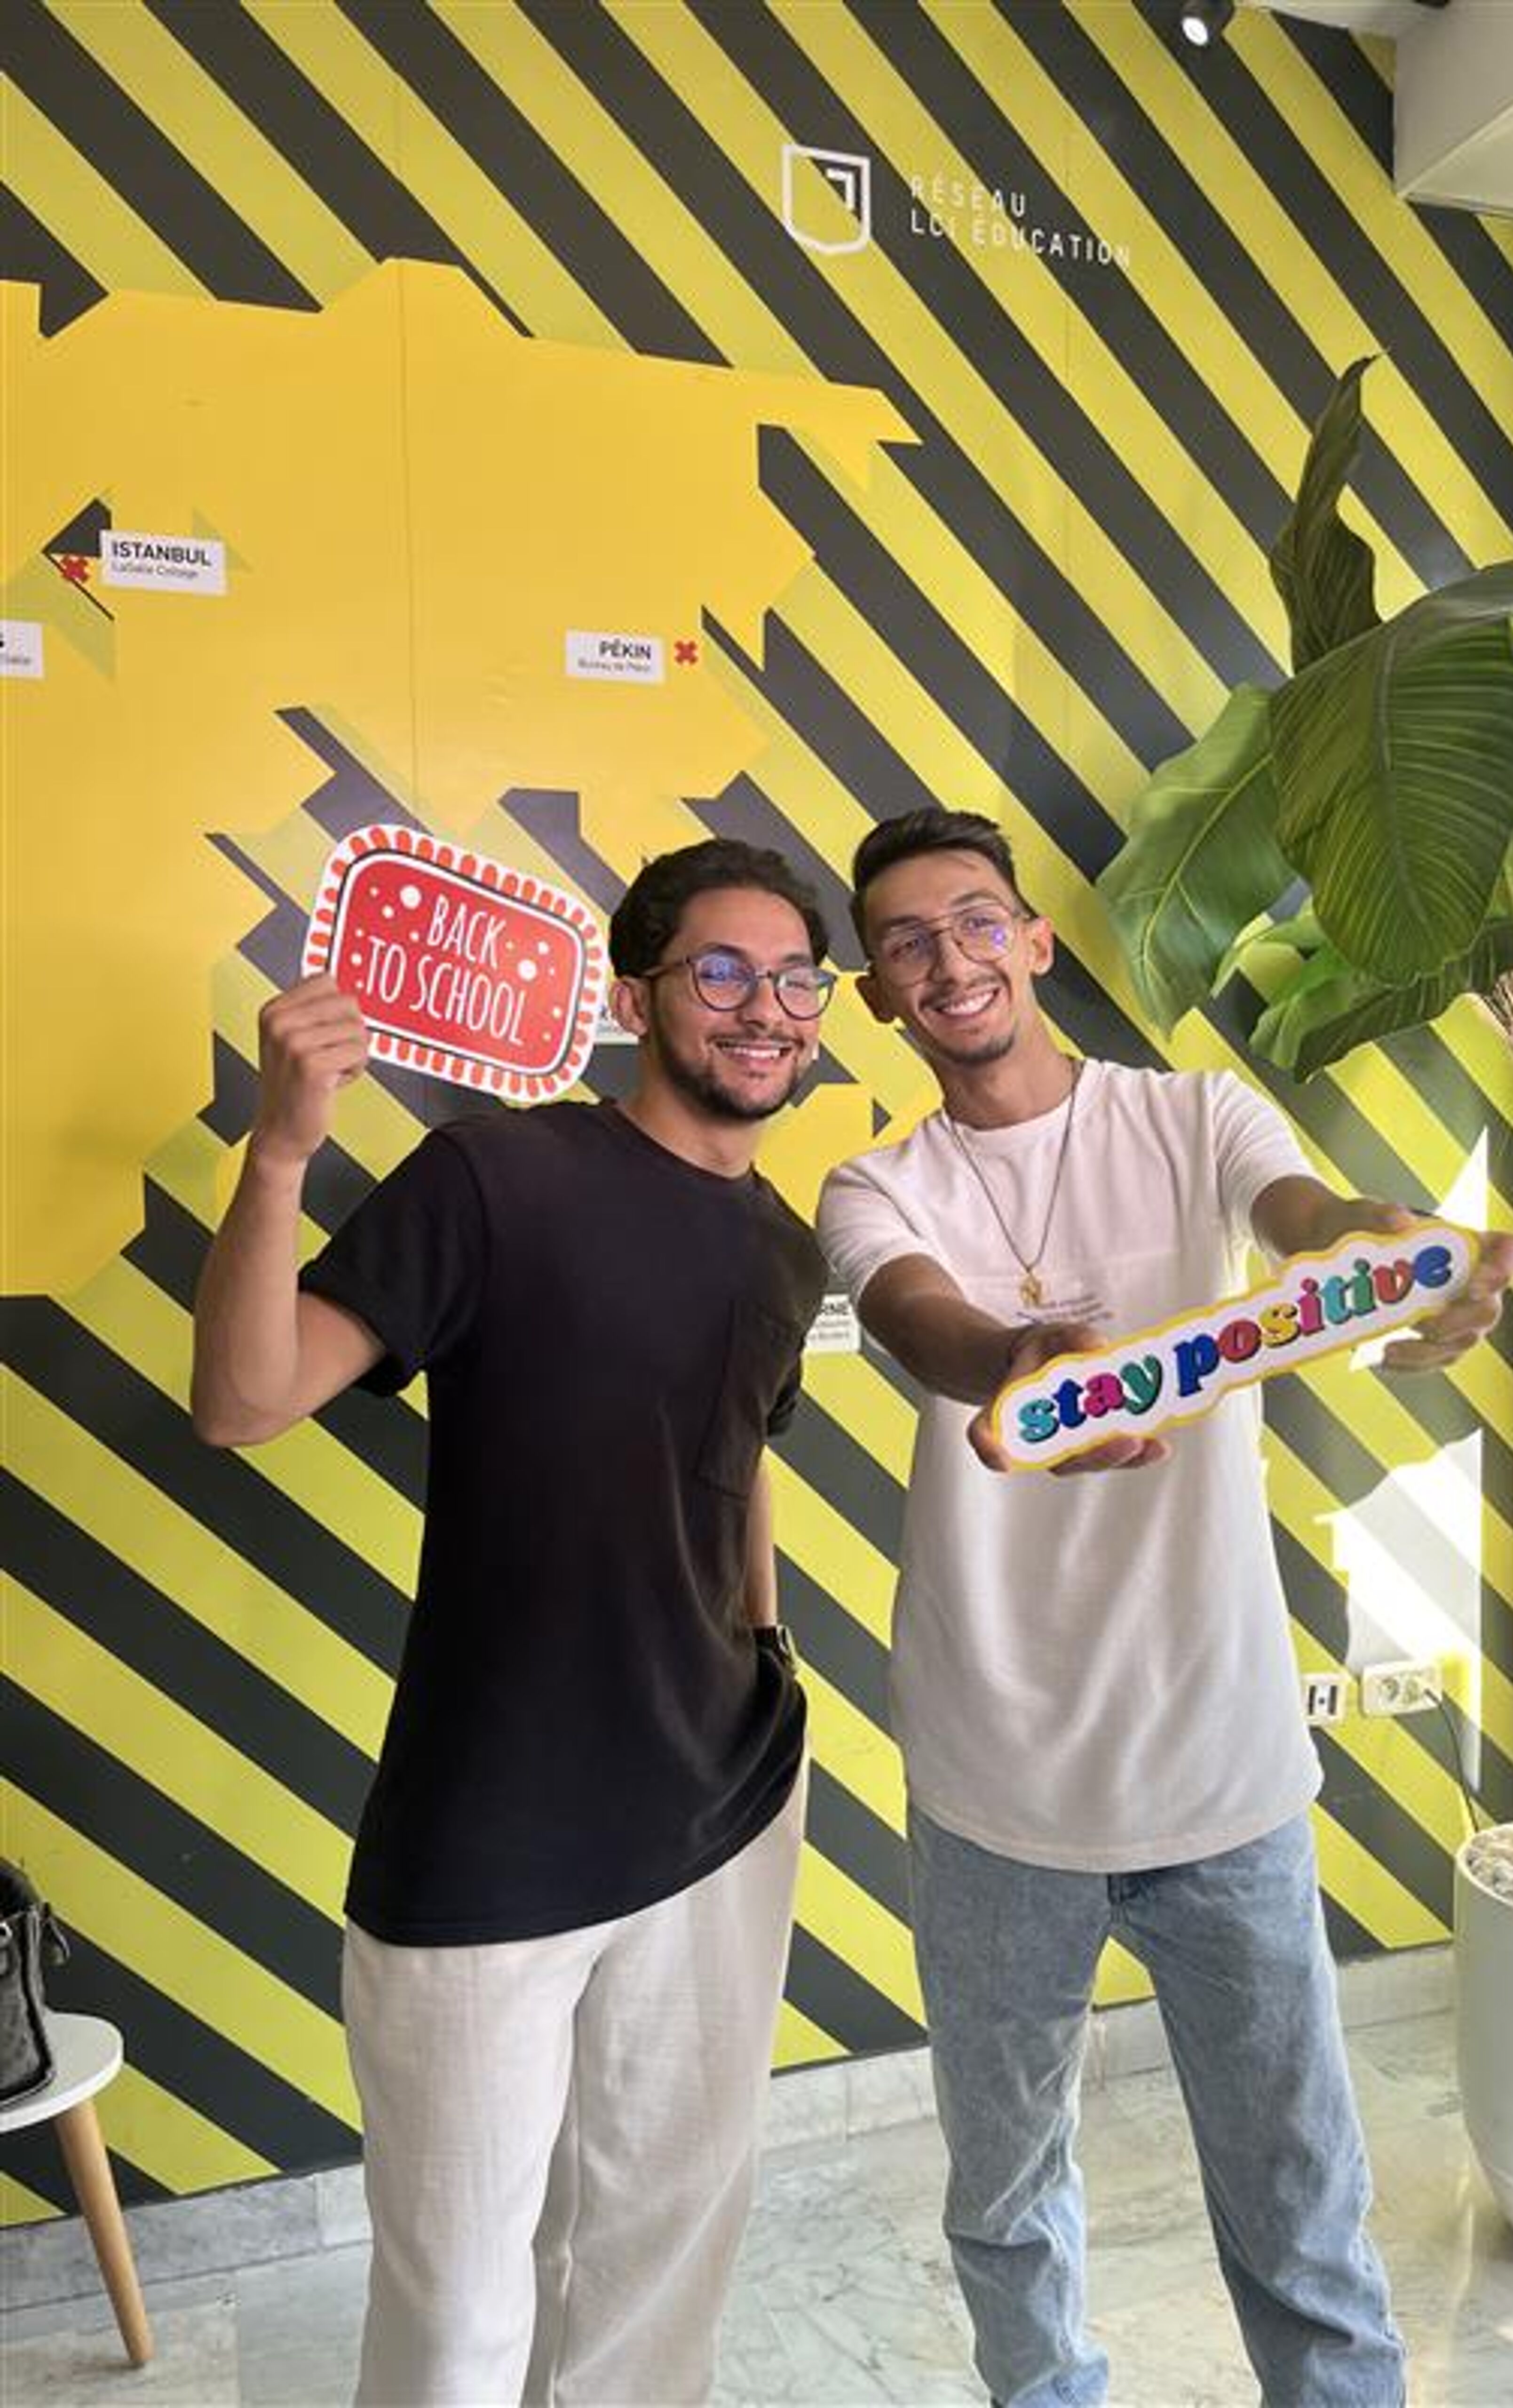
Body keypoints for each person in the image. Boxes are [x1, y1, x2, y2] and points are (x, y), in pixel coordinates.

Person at [816, 808, 1513, 2408]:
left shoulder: (1196, 1113)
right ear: (878, 996)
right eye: (909, 944)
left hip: (1222, 1769)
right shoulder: (875, 1183)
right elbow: (916, 1314)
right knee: (1007, 2206)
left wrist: (1389, 1252)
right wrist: (1018, 1369)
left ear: (1036, 942)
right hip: (996, 1784)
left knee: (1300, 2204)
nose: (950, 960)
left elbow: (1304, 1220)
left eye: (977, 920)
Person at [191, 838, 834, 2407]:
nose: (767, 1009)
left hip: (727, 1808)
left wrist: (764, 1654)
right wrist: (280, 1153)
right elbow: (241, 1401)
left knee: (654, 2276)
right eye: (723, 973)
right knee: (461, 2316)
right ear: (636, 995)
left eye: (798, 979)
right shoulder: (494, 1176)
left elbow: (738, 1465)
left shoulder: (783, 1244)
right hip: (493, 1833)